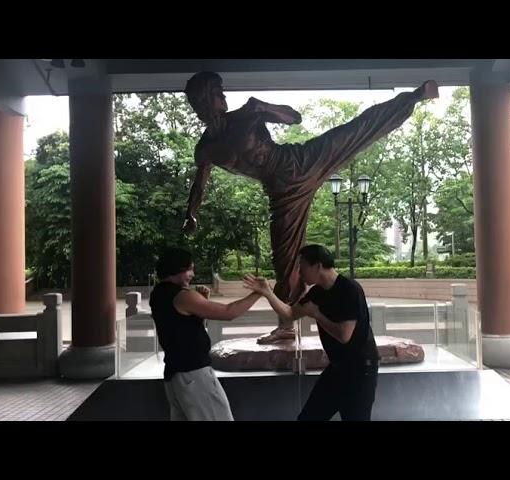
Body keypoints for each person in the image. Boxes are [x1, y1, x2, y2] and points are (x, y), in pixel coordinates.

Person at [183, 71, 438, 344]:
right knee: (286, 263)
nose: (223, 96)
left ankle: (415, 96)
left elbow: (295, 117)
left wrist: (262, 108)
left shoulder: (245, 115)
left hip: (300, 162)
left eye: (221, 91)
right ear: (201, 101)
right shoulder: (205, 148)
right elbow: (199, 184)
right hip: (281, 193)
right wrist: (191, 214)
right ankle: (285, 327)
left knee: (355, 131)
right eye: (215, 92)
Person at [243, 244, 378, 421]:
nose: (299, 272)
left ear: (318, 266)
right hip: (338, 368)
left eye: (302, 266)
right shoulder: (317, 293)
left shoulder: (349, 289)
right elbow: (289, 314)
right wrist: (267, 292)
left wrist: (316, 314)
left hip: (361, 369)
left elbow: (344, 335)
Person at [149, 248, 261, 421]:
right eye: (190, 269)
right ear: (178, 269)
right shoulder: (182, 296)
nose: (192, 274)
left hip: (176, 376)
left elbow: (184, 328)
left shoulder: (159, 293)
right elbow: (228, 312)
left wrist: (202, 302)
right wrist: (259, 293)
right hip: (195, 375)